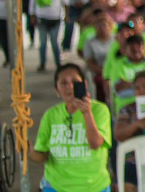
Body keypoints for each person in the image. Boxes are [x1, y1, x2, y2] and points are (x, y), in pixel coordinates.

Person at [31, 63, 112, 192]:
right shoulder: (50, 115)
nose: (69, 86)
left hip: (93, 186)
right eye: (63, 83)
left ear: (85, 85)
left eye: (75, 82)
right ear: (56, 90)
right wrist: (28, 151)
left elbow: (95, 143)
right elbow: (42, 155)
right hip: (56, 186)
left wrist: (86, 113)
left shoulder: (99, 110)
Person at [31, 0, 69, 72]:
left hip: (55, 19)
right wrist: (32, 16)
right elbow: (32, 3)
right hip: (41, 19)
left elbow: (66, 2)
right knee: (42, 43)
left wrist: (66, 15)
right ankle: (42, 64)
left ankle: (58, 63)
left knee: (55, 42)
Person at [84, 12, 115, 104]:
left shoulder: (115, 40)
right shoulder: (90, 42)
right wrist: (104, 71)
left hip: (115, 69)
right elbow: (90, 63)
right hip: (99, 70)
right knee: (102, 82)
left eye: (104, 25)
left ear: (110, 27)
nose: (102, 28)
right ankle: (103, 104)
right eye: (99, 25)